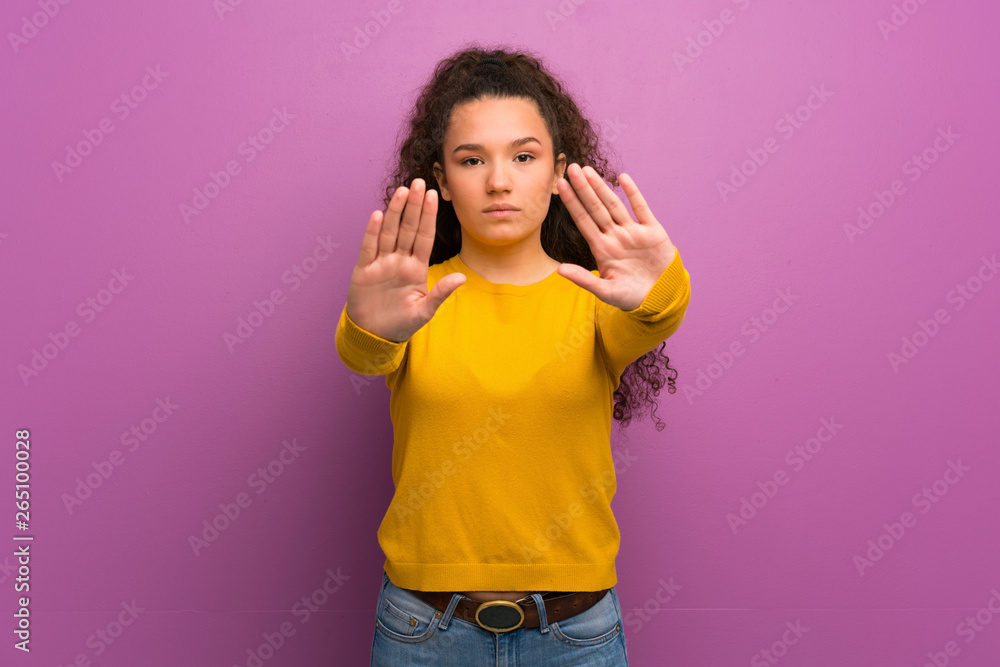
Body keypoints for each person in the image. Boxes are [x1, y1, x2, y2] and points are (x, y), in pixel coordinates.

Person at [336, 44, 692, 666]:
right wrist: (374, 329)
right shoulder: (412, 294)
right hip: (424, 632)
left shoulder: (597, 298)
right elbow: (363, 354)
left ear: (558, 171)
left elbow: (657, 313)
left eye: (523, 157)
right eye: (472, 160)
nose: (498, 180)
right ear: (443, 180)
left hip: (575, 635)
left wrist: (661, 288)